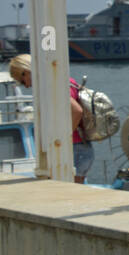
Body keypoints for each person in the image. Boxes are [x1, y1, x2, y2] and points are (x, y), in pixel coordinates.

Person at [7, 53, 93, 183]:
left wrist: (63, 140)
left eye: (21, 80)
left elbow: (76, 111)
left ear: (25, 72)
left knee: (66, 194)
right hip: (82, 147)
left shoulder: (54, 84)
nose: (25, 86)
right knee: (72, 195)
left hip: (75, 149)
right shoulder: (64, 80)